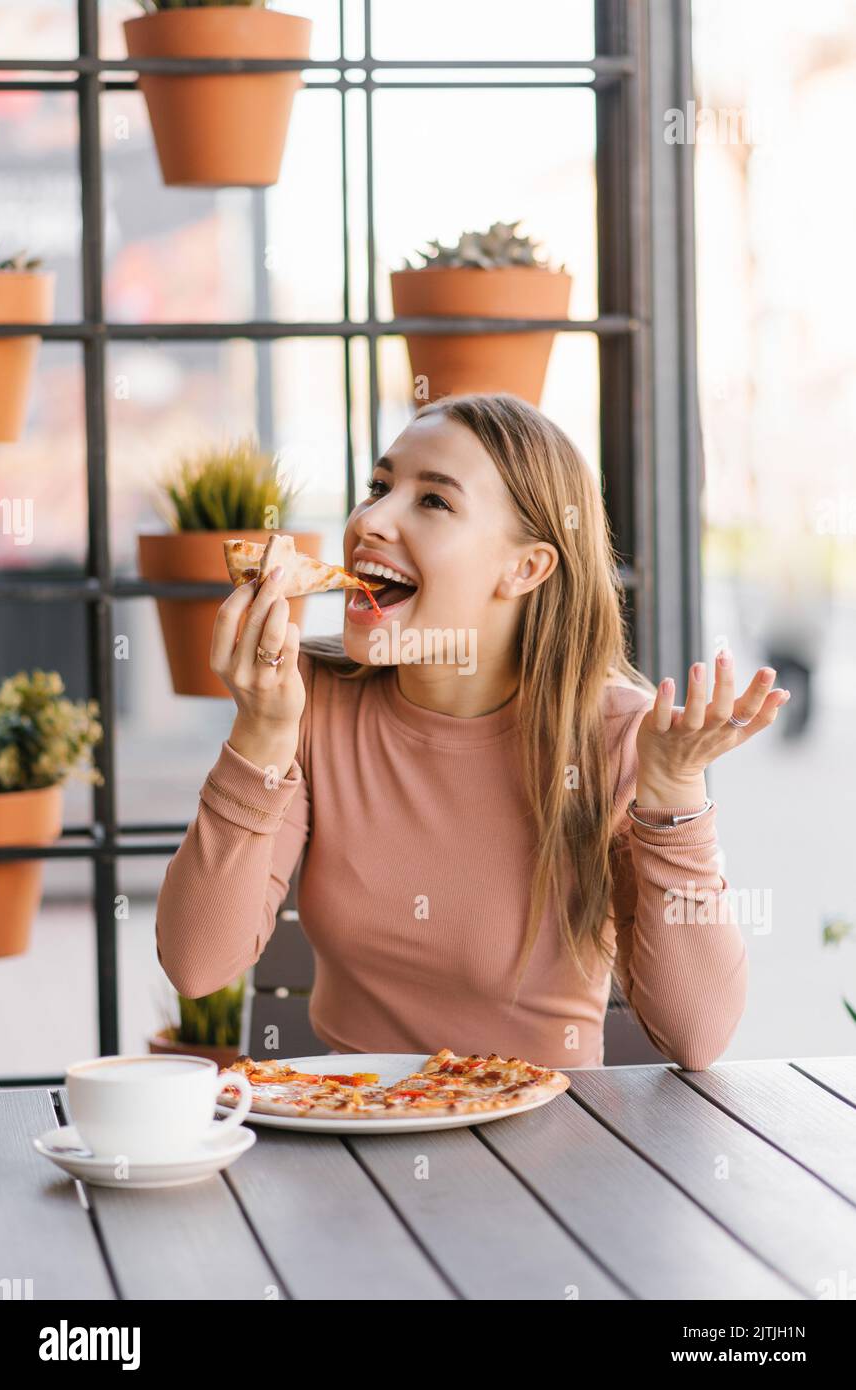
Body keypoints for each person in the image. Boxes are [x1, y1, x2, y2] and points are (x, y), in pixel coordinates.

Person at [155, 394, 789, 1070]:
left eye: (433, 502)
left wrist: (673, 792)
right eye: (378, 487)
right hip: (353, 1126)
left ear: (525, 568)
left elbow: (698, 1037)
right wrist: (259, 736)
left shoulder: (613, 736)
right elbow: (197, 965)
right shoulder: (310, 700)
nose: (370, 519)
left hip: (547, 1143)